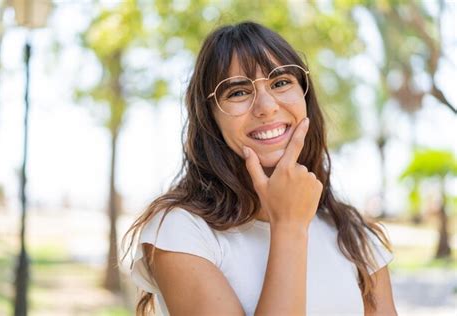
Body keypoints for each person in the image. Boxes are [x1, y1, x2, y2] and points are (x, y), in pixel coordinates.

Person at [122, 21, 397, 316]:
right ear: (209, 118)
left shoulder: (350, 231)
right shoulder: (180, 231)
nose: (266, 107)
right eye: (238, 92)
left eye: (281, 82)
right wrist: (289, 226)